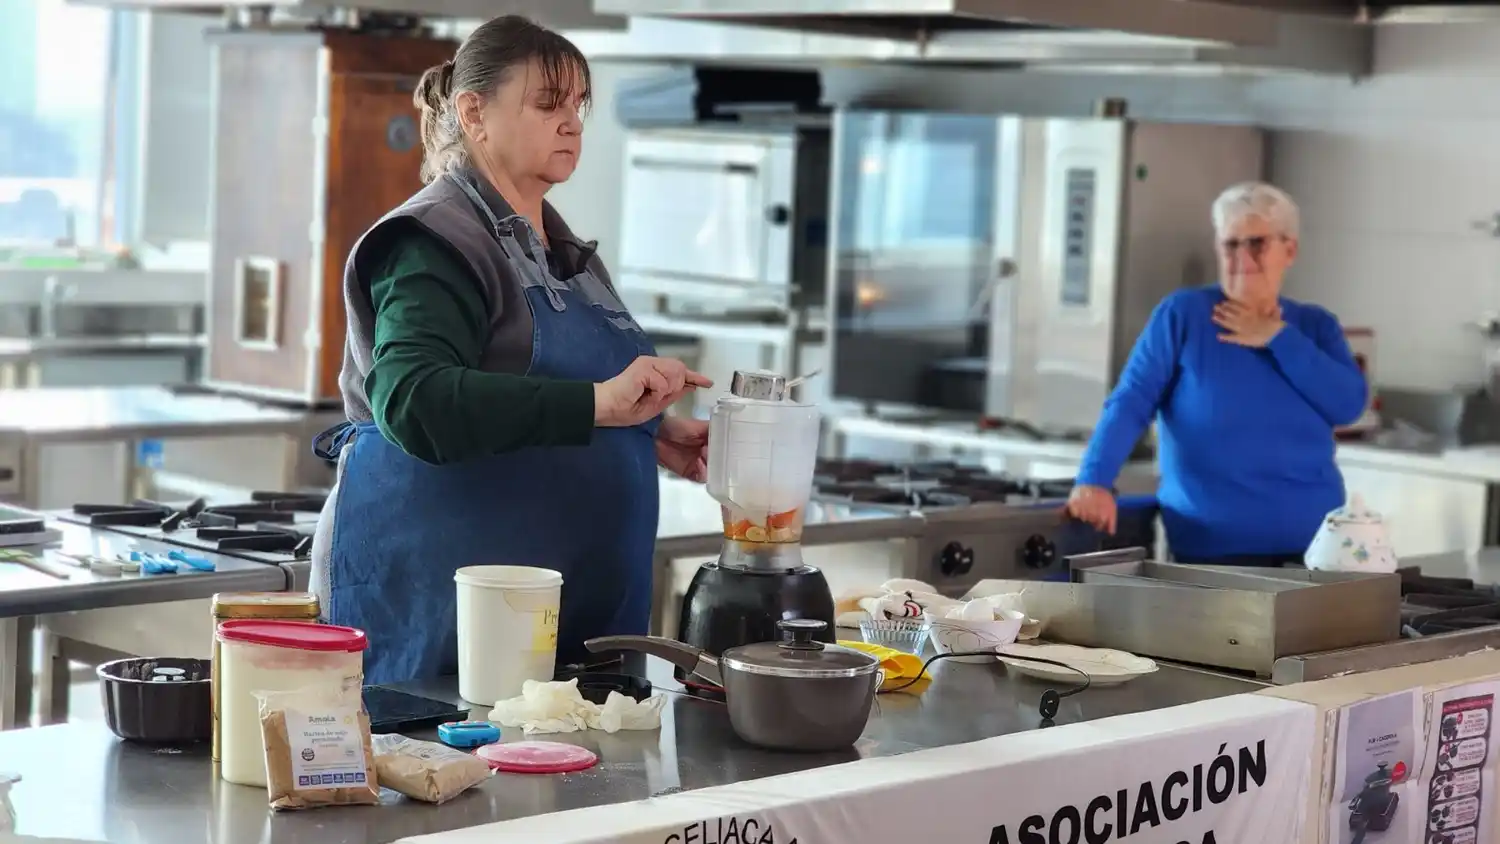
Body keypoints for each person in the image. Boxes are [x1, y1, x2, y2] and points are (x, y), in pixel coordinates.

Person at [309, 15, 713, 686]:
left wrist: (644, 428)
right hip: (443, 634)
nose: (572, 124)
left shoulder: (566, 253)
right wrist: (595, 406)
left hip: (566, 634)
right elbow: (415, 401)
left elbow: (553, 393)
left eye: (578, 106)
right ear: (475, 113)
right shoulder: (433, 242)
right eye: (548, 103)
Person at [1065, 182, 1367, 567]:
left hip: (1316, 548)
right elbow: (1131, 402)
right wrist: (1094, 480)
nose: (1242, 256)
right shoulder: (1184, 315)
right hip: (1210, 549)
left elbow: (1348, 404)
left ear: (1289, 249)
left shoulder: (1314, 326)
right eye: (1230, 244)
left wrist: (1276, 337)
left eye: (1256, 243)